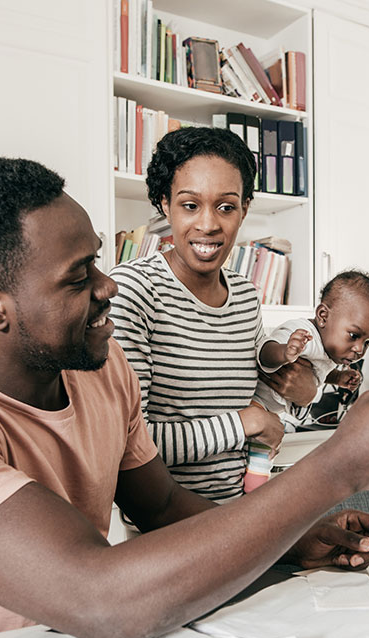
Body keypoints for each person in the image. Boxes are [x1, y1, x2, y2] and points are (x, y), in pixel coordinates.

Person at [0, 157, 369, 638]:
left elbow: (160, 506)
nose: (107, 286)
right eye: (77, 276)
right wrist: (340, 465)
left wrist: (296, 537)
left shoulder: (103, 372)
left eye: (98, 261)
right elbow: (99, 602)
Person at [109, 126, 316, 503]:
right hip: (165, 527)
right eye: (190, 205)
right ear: (163, 203)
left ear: (244, 209)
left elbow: (265, 407)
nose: (208, 224)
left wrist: (302, 395)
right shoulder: (133, 291)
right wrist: (243, 423)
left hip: (243, 513)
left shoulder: (246, 297)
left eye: (226, 206)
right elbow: (127, 444)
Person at [244, 270, 369, 492]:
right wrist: (284, 352)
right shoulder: (304, 335)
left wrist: (338, 377)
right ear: (322, 316)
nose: (360, 349)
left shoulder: (328, 352)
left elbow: (318, 373)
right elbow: (263, 352)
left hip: (270, 414)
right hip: (255, 405)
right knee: (259, 467)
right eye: (354, 335)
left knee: (264, 460)